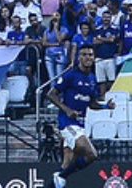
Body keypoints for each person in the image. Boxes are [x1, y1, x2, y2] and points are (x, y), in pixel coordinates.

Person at [47, 45, 112, 188]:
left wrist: (106, 106)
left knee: (66, 165)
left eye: (90, 55)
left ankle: (56, 180)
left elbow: (92, 104)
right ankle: (61, 176)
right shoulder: (71, 75)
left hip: (81, 125)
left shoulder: (92, 78)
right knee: (91, 154)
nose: (88, 57)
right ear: (79, 57)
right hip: (67, 123)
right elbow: (51, 94)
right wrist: (67, 109)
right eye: (84, 54)